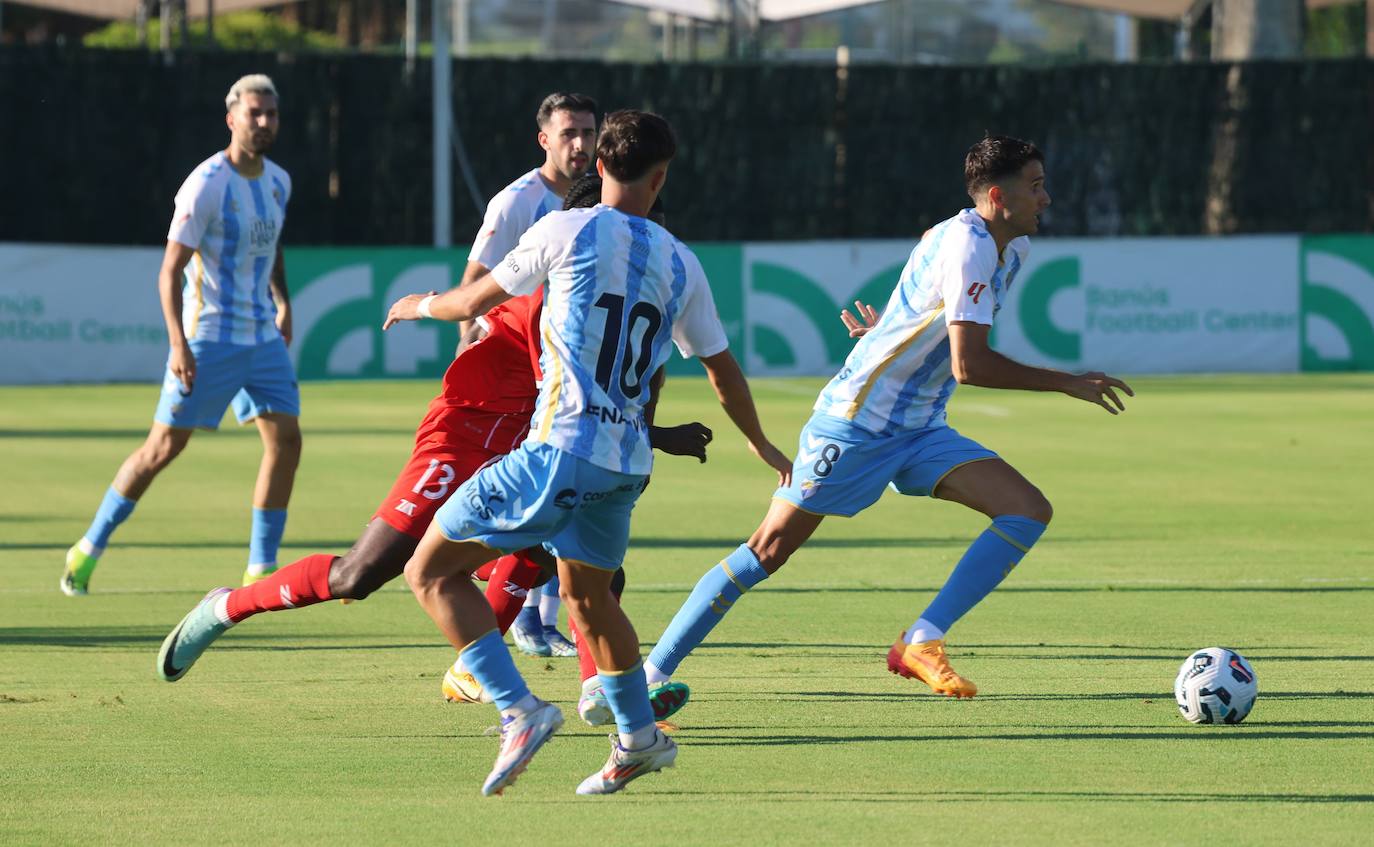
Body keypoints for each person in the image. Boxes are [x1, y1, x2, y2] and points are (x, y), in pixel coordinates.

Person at [154, 173, 705, 739]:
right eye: (637, 228)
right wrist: (429, 307)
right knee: (358, 575)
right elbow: (563, 382)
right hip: (465, 437)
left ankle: (594, 689)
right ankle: (227, 607)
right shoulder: (559, 278)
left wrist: (655, 434)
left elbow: (600, 395)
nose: (644, 242)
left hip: (532, 446)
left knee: (584, 563)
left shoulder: (614, 282)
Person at [382, 109, 792, 797]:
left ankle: (519, 709)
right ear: (660, 178)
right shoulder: (680, 260)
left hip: (559, 448)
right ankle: (638, 739)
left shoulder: (563, 226)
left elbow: (472, 302)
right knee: (590, 597)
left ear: (597, 166)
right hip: (624, 464)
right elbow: (722, 372)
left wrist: (417, 303)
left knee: (428, 571)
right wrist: (761, 443)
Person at [642, 135, 1134, 705]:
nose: (1046, 198)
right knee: (766, 551)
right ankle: (650, 675)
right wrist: (1067, 381)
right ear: (998, 197)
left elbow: (919, 296)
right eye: (1036, 186)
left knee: (1026, 510)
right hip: (858, 423)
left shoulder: (1008, 247)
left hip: (919, 425)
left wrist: (886, 333)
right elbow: (968, 364)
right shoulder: (968, 247)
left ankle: (922, 640)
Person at [62, 74, 301, 596]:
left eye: (271, 114)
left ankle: (260, 567)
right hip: (209, 336)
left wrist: (283, 303)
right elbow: (170, 271)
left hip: (261, 338)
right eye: (254, 113)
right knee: (161, 449)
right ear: (231, 118)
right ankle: (88, 547)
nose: (263, 123)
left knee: (286, 439)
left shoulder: (279, 181)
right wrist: (179, 344)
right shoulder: (207, 185)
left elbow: (272, 247)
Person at [460, 92, 600, 658]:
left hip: (566, 374)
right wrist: (472, 367)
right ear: (544, 139)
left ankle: (535, 620)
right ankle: (509, 611)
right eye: (569, 133)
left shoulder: (598, 201)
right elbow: (474, 282)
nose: (581, 144)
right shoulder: (517, 202)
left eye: (589, 132)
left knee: (562, 503)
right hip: (519, 372)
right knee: (540, 501)